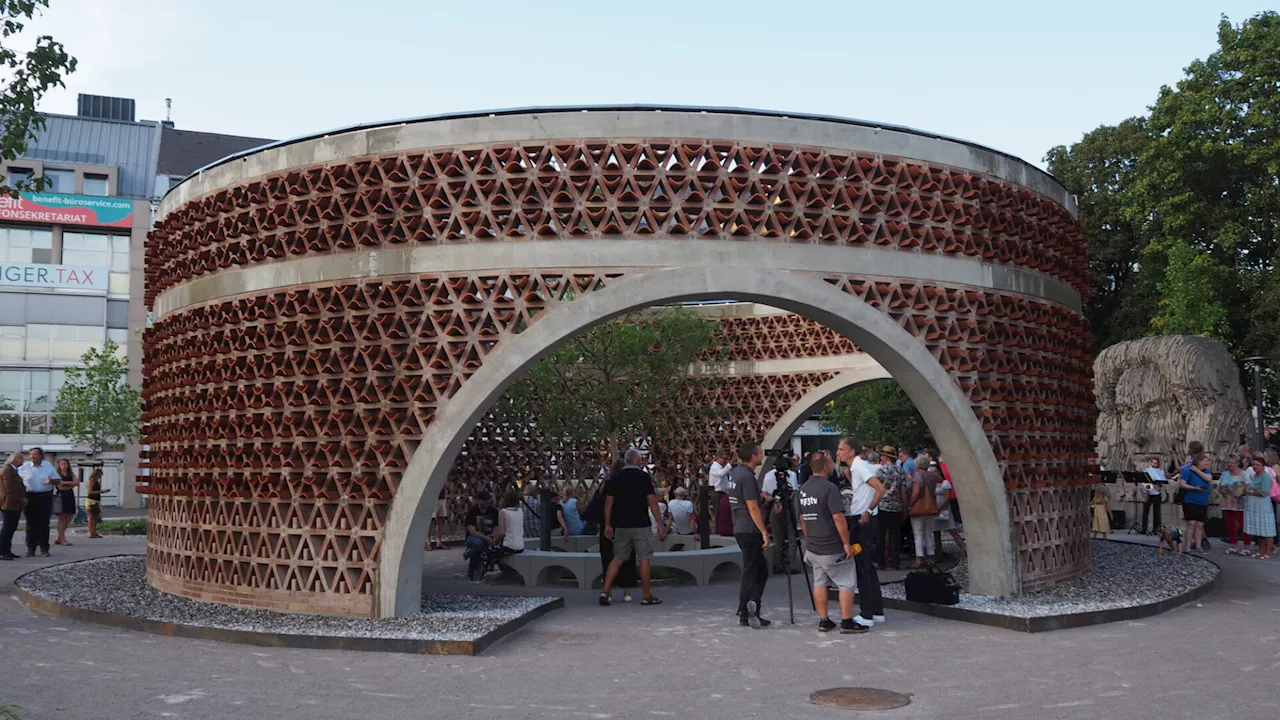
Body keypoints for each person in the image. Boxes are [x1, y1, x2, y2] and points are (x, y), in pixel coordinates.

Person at [798, 451, 864, 634]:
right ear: (826, 467)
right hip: (832, 546)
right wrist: (846, 543)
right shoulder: (830, 488)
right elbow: (838, 517)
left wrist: (809, 538)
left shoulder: (802, 489)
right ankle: (846, 621)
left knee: (820, 582)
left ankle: (824, 620)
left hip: (813, 547)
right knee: (846, 582)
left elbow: (802, 519)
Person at [600, 448, 667, 606]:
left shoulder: (615, 478)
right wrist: (659, 523)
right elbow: (652, 501)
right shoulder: (643, 477)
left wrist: (608, 524)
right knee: (644, 558)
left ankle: (605, 591)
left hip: (621, 525)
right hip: (641, 524)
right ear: (637, 461)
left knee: (617, 558)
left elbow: (609, 502)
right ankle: (646, 595)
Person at [835, 437, 886, 627]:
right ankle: (876, 610)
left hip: (864, 519)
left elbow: (880, 489)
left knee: (863, 568)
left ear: (851, 451)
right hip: (865, 518)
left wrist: (868, 510)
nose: (838, 452)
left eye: (841, 449)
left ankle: (866, 614)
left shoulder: (859, 466)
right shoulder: (857, 467)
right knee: (868, 568)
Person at [728, 441, 771, 627]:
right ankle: (747, 610)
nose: (762, 456)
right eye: (760, 453)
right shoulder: (747, 477)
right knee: (752, 571)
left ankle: (746, 606)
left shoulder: (735, 474)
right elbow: (752, 506)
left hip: (739, 525)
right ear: (753, 456)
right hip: (750, 527)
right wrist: (764, 531)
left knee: (759, 569)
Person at [589, 460, 637, 603]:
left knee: (608, 557)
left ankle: (608, 591)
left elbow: (597, 501)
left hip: (606, 524)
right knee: (627, 557)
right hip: (624, 523)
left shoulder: (605, 484)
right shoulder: (626, 484)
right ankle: (626, 592)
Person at [762, 456, 800, 574]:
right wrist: (786, 500)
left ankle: (778, 564)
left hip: (774, 507)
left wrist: (774, 500)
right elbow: (794, 491)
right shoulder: (791, 475)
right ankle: (792, 564)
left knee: (778, 537)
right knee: (792, 537)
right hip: (788, 507)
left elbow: (764, 492)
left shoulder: (768, 475)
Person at [17, 447, 55, 557]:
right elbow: (17, 481)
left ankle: (44, 548)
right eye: (30, 454)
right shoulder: (24, 468)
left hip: (45, 496)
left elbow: (57, 480)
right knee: (31, 523)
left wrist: (51, 481)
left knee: (44, 523)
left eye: (34, 454)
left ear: (40, 456)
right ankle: (31, 548)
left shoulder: (48, 465)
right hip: (30, 496)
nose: (32, 457)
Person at [875, 446, 907, 570]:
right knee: (895, 536)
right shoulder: (900, 471)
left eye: (882, 455)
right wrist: (905, 507)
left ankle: (881, 562)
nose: (881, 457)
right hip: (897, 507)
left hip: (883, 506)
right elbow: (903, 491)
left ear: (885, 457)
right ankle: (895, 562)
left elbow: (876, 489)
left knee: (881, 536)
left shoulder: (880, 471)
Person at [907, 453, 939, 569]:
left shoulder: (917, 475)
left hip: (918, 508)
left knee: (918, 534)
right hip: (930, 507)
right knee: (928, 534)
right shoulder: (932, 475)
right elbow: (939, 479)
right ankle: (931, 557)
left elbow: (916, 492)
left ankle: (919, 559)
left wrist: (910, 505)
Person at [930, 459, 966, 561]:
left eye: (935, 472)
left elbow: (947, 498)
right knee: (936, 531)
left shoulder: (945, 483)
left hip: (943, 510)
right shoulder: (932, 484)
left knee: (951, 530)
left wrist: (939, 508)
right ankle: (939, 553)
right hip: (935, 509)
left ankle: (965, 549)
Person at [1178, 452, 1212, 553]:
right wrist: (1194, 488)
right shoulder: (1188, 471)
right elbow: (1182, 484)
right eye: (1205, 461)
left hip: (1202, 501)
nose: (1207, 463)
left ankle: (1198, 546)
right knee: (1191, 523)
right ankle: (1187, 546)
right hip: (1190, 500)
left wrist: (1197, 470)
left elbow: (1208, 479)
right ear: (1199, 461)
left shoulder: (1206, 472)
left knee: (1200, 525)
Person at [1218, 455, 1252, 555]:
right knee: (1230, 525)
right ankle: (1233, 546)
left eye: (1232, 462)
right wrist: (1222, 491)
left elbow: (1247, 487)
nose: (1230, 464)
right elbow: (1220, 487)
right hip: (1227, 503)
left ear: (1237, 463)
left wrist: (1237, 492)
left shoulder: (1244, 474)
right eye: (1229, 462)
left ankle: (1247, 547)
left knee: (1243, 525)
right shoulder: (1224, 474)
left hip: (1240, 503)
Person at [1244, 455, 1276, 560]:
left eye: (1258, 465)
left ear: (1263, 466)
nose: (1255, 466)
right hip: (1255, 506)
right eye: (1253, 464)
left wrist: (1250, 492)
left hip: (1263, 506)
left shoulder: (1266, 476)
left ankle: (1268, 552)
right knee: (1259, 530)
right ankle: (1260, 550)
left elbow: (1264, 492)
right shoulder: (1254, 476)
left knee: (1267, 530)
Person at [462, 491, 499, 580]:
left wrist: (493, 537)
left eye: (488, 500)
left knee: (492, 544)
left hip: (489, 537)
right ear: (478, 501)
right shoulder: (472, 512)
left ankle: (469, 555)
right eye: (485, 500)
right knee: (479, 544)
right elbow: (472, 531)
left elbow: (496, 528)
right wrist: (485, 538)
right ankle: (474, 568)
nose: (487, 502)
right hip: (475, 537)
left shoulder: (494, 511)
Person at [0, 451, 26, 560]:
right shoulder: (8, 470)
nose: (23, 460)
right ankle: (2, 551)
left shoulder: (13, 470)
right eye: (21, 458)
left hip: (13, 503)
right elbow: (9, 489)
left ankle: (7, 550)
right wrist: (21, 499)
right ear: (14, 459)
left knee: (11, 527)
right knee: (7, 528)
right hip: (9, 503)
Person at [52, 458, 79, 546]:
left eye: (65, 464)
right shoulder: (57, 474)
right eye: (62, 464)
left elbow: (77, 482)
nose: (64, 465)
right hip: (61, 496)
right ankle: (63, 539)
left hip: (70, 496)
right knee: (62, 517)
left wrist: (66, 483)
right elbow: (60, 486)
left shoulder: (71, 473)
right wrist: (71, 484)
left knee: (69, 516)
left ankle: (59, 537)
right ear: (59, 466)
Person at [708, 450, 732, 531]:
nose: (725, 461)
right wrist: (729, 466)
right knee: (718, 513)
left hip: (722, 493)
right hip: (717, 493)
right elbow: (721, 474)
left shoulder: (721, 467)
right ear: (718, 458)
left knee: (722, 512)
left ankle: (720, 529)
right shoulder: (715, 467)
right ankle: (718, 531)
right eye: (724, 458)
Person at [1141, 457, 1166, 534]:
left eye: (1155, 463)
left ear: (1158, 464)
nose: (1154, 464)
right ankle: (1144, 528)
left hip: (1157, 493)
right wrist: (1147, 486)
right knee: (1145, 512)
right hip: (1149, 493)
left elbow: (1162, 481)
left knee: (1156, 512)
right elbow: (1143, 482)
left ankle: (1155, 529)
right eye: (1153, 463)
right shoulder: (1147, 471)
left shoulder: (1161, 471)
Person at [84, 468, 104, 539]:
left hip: (96, 500)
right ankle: (91, 532)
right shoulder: (91, 481)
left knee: (95, 517)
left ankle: (94, 532)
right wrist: (100, 491)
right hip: (91, 500)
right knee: (91, 517)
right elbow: (90, 492)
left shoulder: (96, 482)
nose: (100, 477)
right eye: (99, 476)